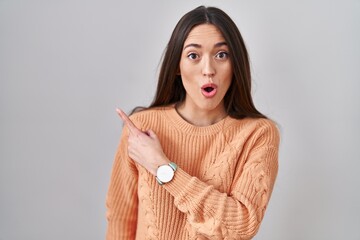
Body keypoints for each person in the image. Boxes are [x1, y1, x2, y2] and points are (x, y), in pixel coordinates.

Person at [106, 5, 280, 240]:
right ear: (177, 66)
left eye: (221, 55)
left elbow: (242, 226)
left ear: (235, 64)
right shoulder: (141, 128)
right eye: (193, 56)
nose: (208, 70)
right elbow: (120, 219)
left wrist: (162, 167)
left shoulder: (258, 134)